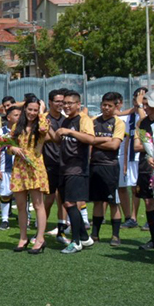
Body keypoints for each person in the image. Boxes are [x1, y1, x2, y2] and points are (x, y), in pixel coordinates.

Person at [50, 90, 96, 254]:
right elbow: (57, 140)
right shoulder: (66, 121)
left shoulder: (83, 120)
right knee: (66, 203)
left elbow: (91, 139)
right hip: (64, 167)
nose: (66, 106)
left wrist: (69, 131)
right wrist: (48, 128)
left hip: (77, 168)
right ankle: (85, 237)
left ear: (78, 104)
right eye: (65, 103)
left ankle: (76, 242)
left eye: (70, 103)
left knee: (70, 203)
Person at [6, 101, 49, 254]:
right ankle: (23, 237)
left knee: (38, 205)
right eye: (30, 109)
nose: (32, 113)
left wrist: (43, 112)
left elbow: (44, 129)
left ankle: (40, 238)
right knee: (21, 205)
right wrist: (13, 149)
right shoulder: (17, 126)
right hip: (19, 168)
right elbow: (8, 146)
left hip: (35, 167)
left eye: (35, 110)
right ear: (25, 109)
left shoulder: (41, 123)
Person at [88, 92, 126, 246]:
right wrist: (101, 140)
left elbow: (114, 145)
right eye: (104, 105)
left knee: (113, 202)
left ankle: (115, 235)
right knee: (97, 201)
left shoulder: (118, 123)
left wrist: (94, 142)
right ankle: (95, 234)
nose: (106, 108)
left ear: (115, 106)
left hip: (110, 166)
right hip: (95, 165)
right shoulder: (93, 121)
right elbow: (87, 140)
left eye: (110, 106)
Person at [41, 89, 70, 245]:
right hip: (48, 164)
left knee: (63, 200)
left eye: (63, 101)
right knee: (49, 199)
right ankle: (40, 231)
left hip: (64, 164)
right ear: (50, 102)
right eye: (58, 101)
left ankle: (61, 231)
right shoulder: (43, 119)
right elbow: (44, 137)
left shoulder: (66, 120)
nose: (61, 104)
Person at [118, 88, 147, 228]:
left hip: (146, 158)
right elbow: (128, 140)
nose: (138, 102)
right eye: (136, 98)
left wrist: (141, 106)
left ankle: (150, 219)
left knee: (149, 189)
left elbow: (144, 121)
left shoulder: (147, 114)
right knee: (135, 188)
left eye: (141, 98)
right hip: (132, 157)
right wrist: (124, 163)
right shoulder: (131, 115)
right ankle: (133, 218)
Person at [133, 90, 154, 250]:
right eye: (145, 104)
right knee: (148, 202)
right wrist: (149, 155)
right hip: (147, 167)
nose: (145, 107)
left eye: (148, 104)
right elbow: (141, 143)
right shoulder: (143, 123)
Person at [0, 106, 20, 231]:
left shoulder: (23, 131)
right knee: (5, 194)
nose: (18, 117)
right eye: (15, 115)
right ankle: (5, 219)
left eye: (20, 115)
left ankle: (24, 217)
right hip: (6, 168)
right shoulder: (1, 132)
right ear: (8, 117)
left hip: (21, 169)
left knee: (22, 194)